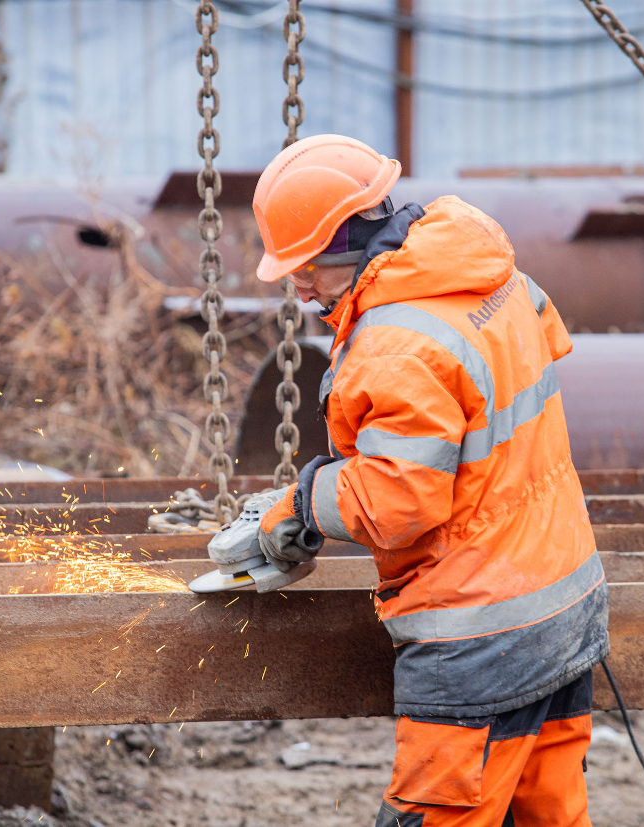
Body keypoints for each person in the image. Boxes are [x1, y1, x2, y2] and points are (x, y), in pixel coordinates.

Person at [253, 134, 608, 827]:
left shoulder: (394, 346)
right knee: (546, 815)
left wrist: (301, 504)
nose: (297, 285)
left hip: (479, 635)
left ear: (351, 239)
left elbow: (397, 502)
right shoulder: (489, 279)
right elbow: (535, 355)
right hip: (563, 603)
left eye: (308, 265)